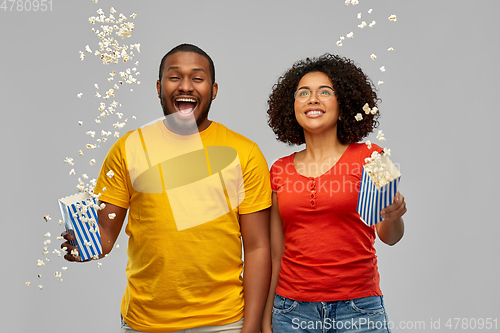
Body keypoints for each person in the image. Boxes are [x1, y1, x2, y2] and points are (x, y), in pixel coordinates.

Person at [62, 43, 272, 333]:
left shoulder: (244, 152)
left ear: (213, 90)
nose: (185, 86)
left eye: (197, 78)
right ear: (159, 87)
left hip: (224, 322)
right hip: (145, 323)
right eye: (175, 77)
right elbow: (107, 233)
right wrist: (85, 245)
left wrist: (250, 328)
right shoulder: (128, 148)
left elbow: (259, 246)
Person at [261, 54, 407, 333]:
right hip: (291, 313)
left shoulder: (373, 158)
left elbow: (391, 237)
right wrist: (267, 318)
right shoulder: (278, 170)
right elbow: (276, 254)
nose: (312, 99)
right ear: (292, 108)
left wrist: (394, 215)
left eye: (324, 92)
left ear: (342, 107)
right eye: (303, 93)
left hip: (359, 310)